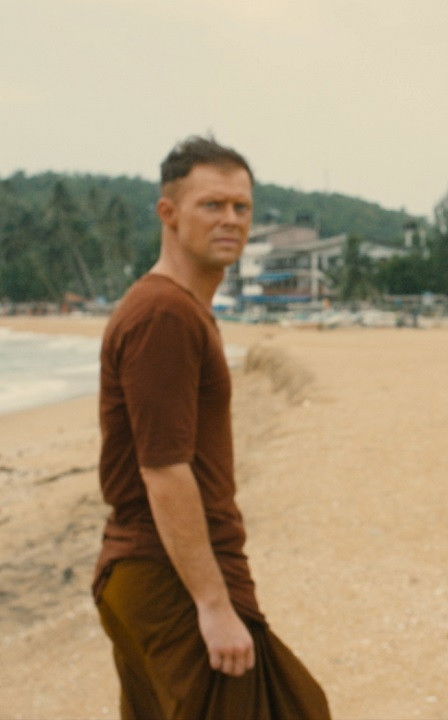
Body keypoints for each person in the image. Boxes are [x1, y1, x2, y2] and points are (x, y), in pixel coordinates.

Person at [93, 136, 329, 719]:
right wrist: (214, 605)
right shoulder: (164, 314)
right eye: (212, 204)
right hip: (165, 575)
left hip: (152, 572)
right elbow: (164, 470)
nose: (231, 219)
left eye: (241, 207)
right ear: (168, 213)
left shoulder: (177, 309)